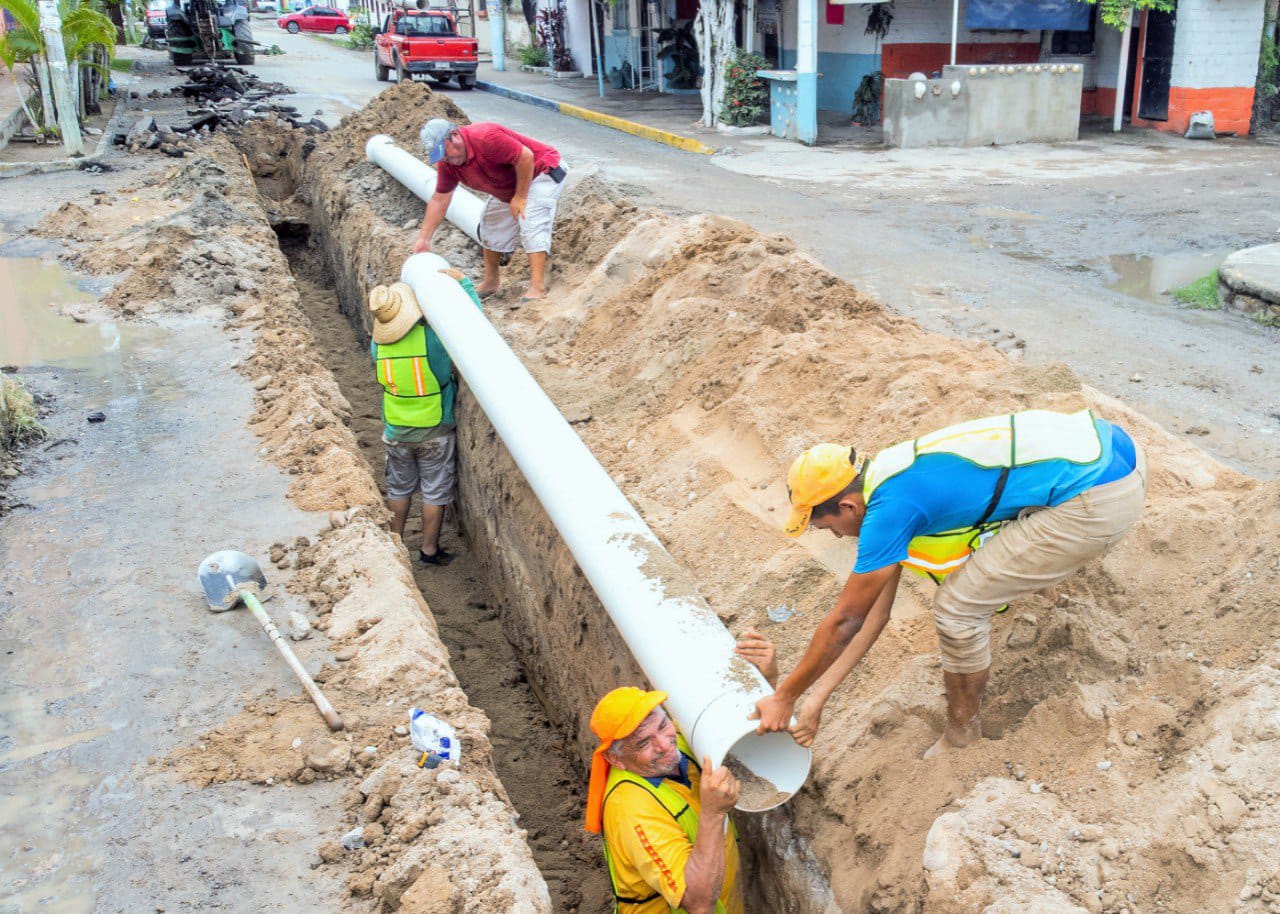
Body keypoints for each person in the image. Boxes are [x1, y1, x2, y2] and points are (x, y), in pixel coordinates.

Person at [751, 408, 1147, 757]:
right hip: (1109, 444)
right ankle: (1040, 578)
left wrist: (785, 696)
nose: (838, 537)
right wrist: (815, 699)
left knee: (957, 608)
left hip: (1102, 494)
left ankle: (962, 735)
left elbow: (845, 621)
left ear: (848, 506)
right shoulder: (890, 475)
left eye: (829, 527)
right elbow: (875, 615)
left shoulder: (890, 512)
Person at [585, 634, 777, 914]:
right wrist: (713, 813)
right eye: (643, 742)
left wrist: (765, 682)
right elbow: (698, 903)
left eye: (662, 725)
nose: (665, 745)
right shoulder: (631, 810)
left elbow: (735, 734)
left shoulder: (677, 741)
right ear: (616, 758)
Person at [368, 270, 481, 566]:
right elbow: (473, 328)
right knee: (434, 491)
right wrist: (465, 285)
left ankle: (394, 547)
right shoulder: (432, 340)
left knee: (399, 488)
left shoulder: (378, 345)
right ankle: (429, 550)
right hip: (434, 429)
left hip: (396, 431)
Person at [413, 118, 566, 302]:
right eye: (441, 157)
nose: (446, 159)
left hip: (541, 171)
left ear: (455, 136)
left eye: (445, 152)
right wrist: (424, 239)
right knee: (490, 225)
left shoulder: (486, 138)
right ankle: (491, 282)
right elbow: (439, 199)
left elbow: (525, 157)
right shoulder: (448, 164)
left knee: (530, 219)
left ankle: (537, 287)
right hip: (509, 185)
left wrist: (520, 197)